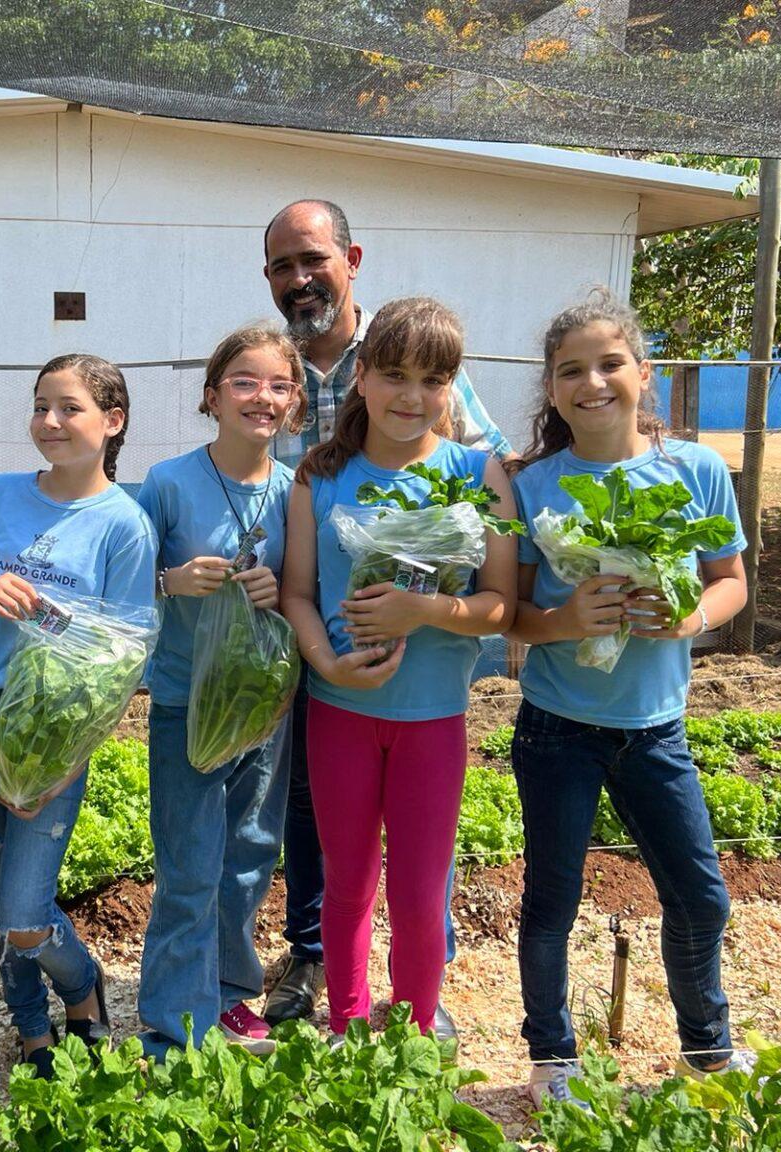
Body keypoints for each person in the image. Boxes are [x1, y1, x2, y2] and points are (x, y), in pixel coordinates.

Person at [505, 292, 781, 1111]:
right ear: (551, 387)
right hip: (557, 729)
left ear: (644, 375)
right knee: (552, 901)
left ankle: (708, 1048)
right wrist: (563, 620)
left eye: (611, 364)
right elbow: (512, 617)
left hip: (655, 730)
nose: (593, 382)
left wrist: (687, 620)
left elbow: (731, 583)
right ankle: (553, 1058)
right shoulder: (532, 484)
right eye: (571, 370)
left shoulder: (695, 470)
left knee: (701, 896)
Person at [260, 198, 512, 1034]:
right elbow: (298, 590)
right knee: (344, 879)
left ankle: (415, 1028)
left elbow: (498, 603)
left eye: (433, 380)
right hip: (336, 706)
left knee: (420, 884)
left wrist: (420, 608)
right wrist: (326, 665)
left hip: (433, 712)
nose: (414, 394)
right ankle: (344, 1021)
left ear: (453, 388)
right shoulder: (317, 477)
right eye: (394, 376)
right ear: (362, 377)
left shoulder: (478, 474)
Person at [0, 353, 158, 1078]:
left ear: (113, 421)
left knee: (24, 914)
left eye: (69, 407)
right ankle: (33, 1030)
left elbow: (126, 653)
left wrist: (72, 755)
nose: (50, 422)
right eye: (41, 406)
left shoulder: (123, 525)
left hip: (56, 731)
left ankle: (81, 982)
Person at [136, 325, 303, 1059]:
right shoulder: (169, 483)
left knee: (249, 854)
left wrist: (282, 589)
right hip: (185, 704)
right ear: (211, 396)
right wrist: (172, 582)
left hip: (264, 705)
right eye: (243, 381)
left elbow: (313, 590)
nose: (259, 396)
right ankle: (173, 1018)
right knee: (187, 862)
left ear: (294, 402)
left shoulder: (299, 490)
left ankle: (232, 995)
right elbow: (126, 588)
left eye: (277, 384)